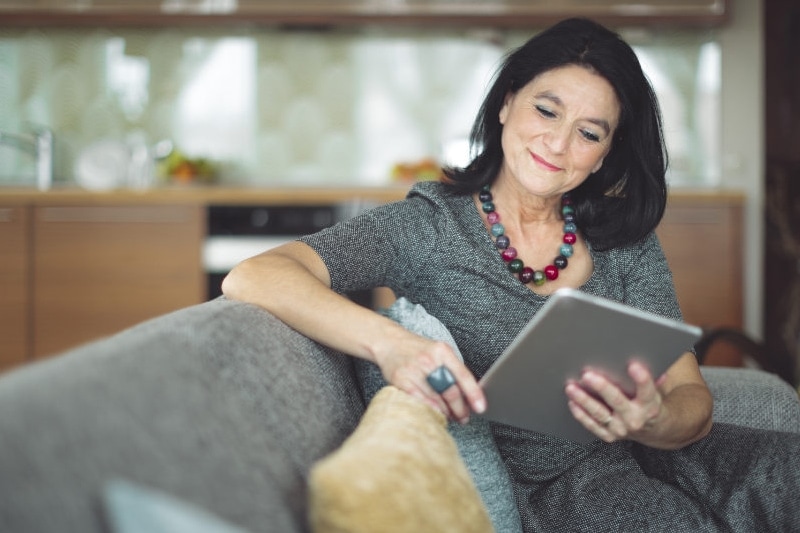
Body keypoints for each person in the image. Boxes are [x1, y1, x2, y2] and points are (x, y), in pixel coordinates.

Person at [223, 17, 799, 532]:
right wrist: (393, 345)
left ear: (604, 154)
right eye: (546, 110)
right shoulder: (427, 227)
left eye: (589, 132)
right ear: (506, 103)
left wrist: (652, 421)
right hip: (561, 499)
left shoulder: (625, 242)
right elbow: (255, 274)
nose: (558, 142)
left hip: (669, 459)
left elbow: (691, 399)